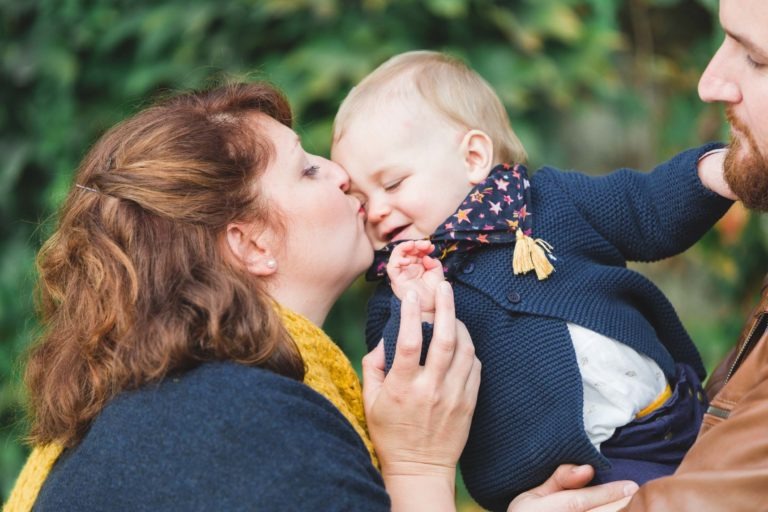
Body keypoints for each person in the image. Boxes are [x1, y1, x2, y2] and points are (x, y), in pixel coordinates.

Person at [3, 81, 637, 512]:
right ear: (248, 244)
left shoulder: (184, 403)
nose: (341, 177)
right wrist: (417, 467)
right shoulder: (242, 421)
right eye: (307, 168)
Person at [331, 50, 737, 510]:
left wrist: (714, 174)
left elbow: (643, 208)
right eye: (363, 200)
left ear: (473, 157)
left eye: (394, 183)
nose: (378, 210)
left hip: (678, 410)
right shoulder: (398, 294)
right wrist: (417, 307)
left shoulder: (549, 203)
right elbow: (416, 387)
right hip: (586, 477)